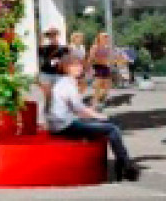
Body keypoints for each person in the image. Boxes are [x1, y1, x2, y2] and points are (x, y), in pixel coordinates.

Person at [47, 53, 139, 182]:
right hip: (65, 126)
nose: (79, 68)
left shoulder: (64, 82)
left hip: (62, 123)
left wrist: (95, 116)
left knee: (111, 125)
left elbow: (75, 109)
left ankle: (122, 164)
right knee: (112, 128)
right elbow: (79, 108)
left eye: (80, 65)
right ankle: (125, 165)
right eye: (75, 65)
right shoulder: (67, 84)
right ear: (66, 68)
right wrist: (99, 116)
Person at [38, 28, 69, 107]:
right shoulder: (45, 48)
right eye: (50, 36)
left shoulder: (64, 48)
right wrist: (42, 36)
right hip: (46, 73)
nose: (52, 37)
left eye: (54, 35)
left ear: (58, 36)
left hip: (58, 74)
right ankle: (48, 105)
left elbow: (66, 60)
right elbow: (40, 53)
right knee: (47, 93)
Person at [87, 31, 115, 110]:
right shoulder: (95, 47)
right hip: (98, 67)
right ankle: (94, 103)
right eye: (104, 37)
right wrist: (88, 68)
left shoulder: (108, 47)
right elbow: (91, 58)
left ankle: (99, 100)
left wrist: (112, 61)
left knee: (107, 86)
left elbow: (110, 58)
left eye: (107, 37)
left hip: (106, 67)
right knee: (98, 86)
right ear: (99, 38)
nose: (106, 38)